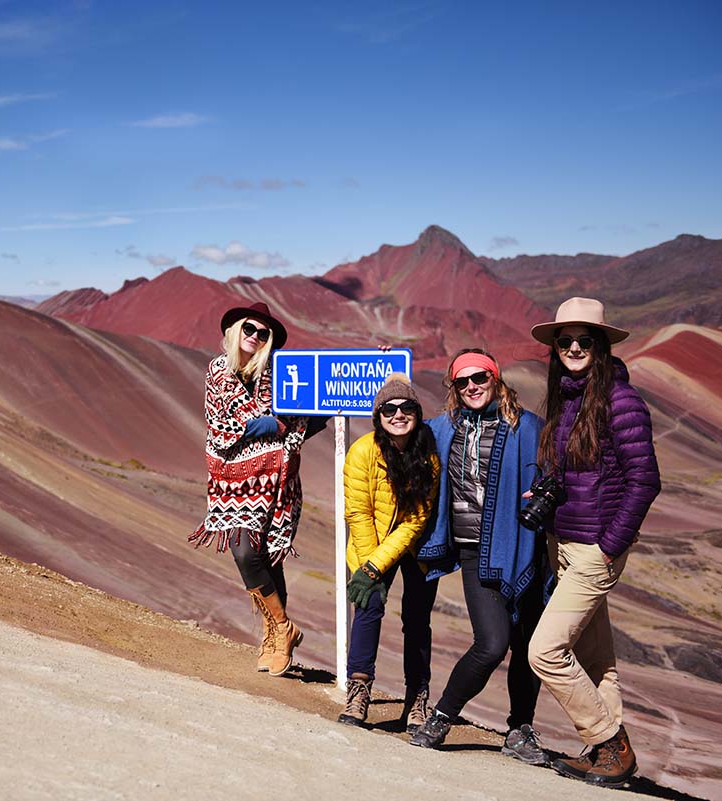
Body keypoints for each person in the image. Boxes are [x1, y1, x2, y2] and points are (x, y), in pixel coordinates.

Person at [526, 297, 660, 787]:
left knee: (545, 651)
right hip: (566, 542)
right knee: (595, 659)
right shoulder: (570, 399)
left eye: (585, 340)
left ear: (601, 345)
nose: (575, 348)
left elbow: (644, 480)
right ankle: (608, 755)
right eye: (566, 341)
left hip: (593, 549)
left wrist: (609, 545)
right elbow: (583, 474)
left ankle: (609, 743)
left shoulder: (621, 402)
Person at [408, 349, 549, 763]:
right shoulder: (442, 429)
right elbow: (397, 425)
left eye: (480, 378)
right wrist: (392, 375)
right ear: (453, 387)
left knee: (527, 646)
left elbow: (559, 472)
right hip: (475, 553)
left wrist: (544, 490)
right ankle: (441, 717)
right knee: (491, 643)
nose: (472, 386)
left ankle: (520, 730)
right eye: (462, 381)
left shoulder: (527, 427)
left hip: (525, 548)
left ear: (495, 378)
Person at [189, 302, 325, 677]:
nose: (254, 337)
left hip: (276, 479)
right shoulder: (218, 372)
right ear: (235, 330)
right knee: (243, 549)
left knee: (262, 553)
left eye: (263, 334)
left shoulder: (281, 374)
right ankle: (281, 628)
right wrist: (275, 426)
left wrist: (282, 426)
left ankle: (275, 635)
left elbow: (312, 414)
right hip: (230, 478)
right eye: (249, 329)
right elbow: (224, 428)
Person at [337, 373, 439, 729]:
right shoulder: (363, 451)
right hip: (371, 543)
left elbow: (416, 519)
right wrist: (369, 568)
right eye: (389, 409)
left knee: (416, 619)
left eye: (406, 407)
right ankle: (359, 689)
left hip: (416, 547)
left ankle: (417, 698)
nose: (398, 414)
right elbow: (358, 513)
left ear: (417, 411)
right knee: (368, 605)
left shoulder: (428, 453)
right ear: (378, 416)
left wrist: (376, 565)